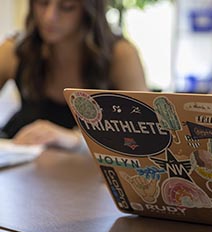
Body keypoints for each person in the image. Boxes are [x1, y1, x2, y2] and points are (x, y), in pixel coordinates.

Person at [0, 0, 148, 151]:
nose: (49, 17)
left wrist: (76, 139)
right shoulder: (14, 50)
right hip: (20, 165)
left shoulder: (119, 54)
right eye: (42, 3)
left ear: (89, 11)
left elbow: (147, 132)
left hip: (86, 169)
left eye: (67, 7)